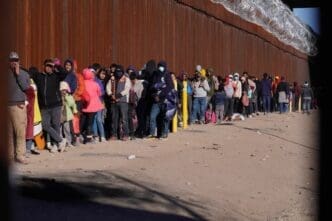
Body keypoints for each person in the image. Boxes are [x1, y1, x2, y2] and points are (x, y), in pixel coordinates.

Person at [31, 59, 67, 153]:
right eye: (48, 66)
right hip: (44, 106)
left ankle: (56, 144)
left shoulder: (56, 76)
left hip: (56, 105)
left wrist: (57, 66)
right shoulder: (39, 76)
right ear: (44, 65)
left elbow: (65, 73)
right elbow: (30, 72)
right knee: (45, 125)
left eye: (51, 66)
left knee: (56, 125)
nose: (49, 68)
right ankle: (61, 140)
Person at [7, 52, 30, 164]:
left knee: (20, 131)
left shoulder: (24, 73)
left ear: (19, 61)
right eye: (12, 60)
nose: (14, 62)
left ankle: (20, 155)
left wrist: (18, 74)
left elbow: (26, 87)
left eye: (16, 60)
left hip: (18, 105)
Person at [147, 61, 174, 139]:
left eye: (162, 66)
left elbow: (169, 88)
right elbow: (151, 87)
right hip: (156, 100)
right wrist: (154, 95)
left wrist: (161, 95)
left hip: (165, 100)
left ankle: (164, 133)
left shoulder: (167, 75)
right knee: (152, 116)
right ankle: (152, 133)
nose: (160, 68)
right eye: (159, 66)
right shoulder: (155, 75)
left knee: (165, 117)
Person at [60, 81, 78, 148]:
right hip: (60, 115)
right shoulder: (58, 96)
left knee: (67, 129)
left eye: (65, 90)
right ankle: (60, 141)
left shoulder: (69, 96)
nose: (63, 91)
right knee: (59, 129)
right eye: (62, 90)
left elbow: (72, 104)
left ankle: (69, 141)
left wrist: (66, 98)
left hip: (67, 116)